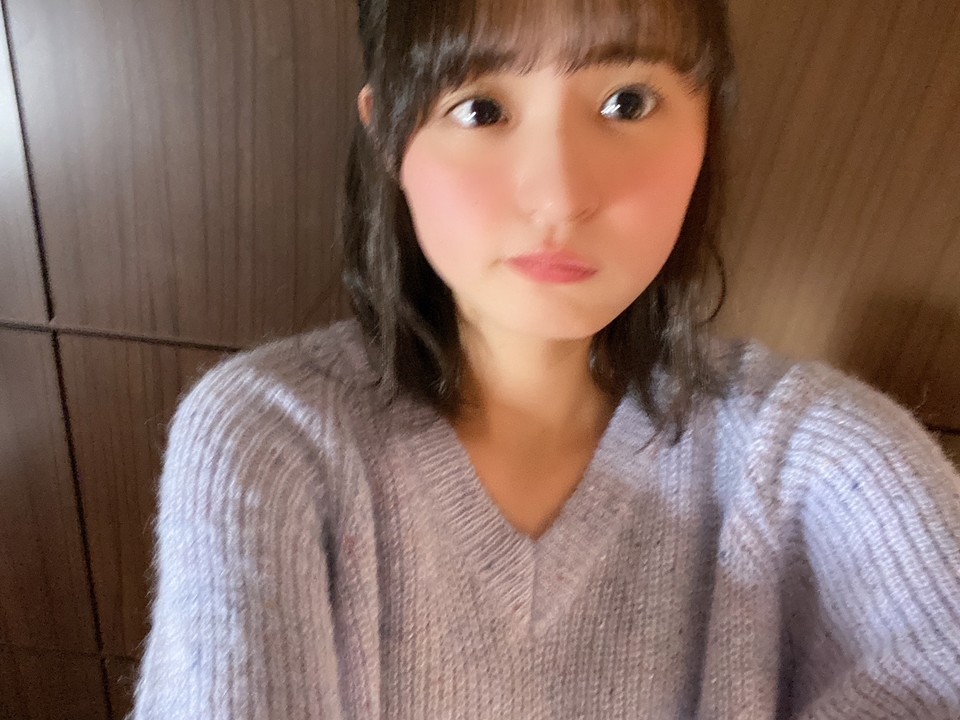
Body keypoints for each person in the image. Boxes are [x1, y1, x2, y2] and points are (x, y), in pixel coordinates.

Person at [128, 0, 960, 717]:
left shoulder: (811, 450)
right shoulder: (275, 436)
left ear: (706, 124)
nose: (559, 196)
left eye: (627, 102)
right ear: (388, 137)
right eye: (481, 109)